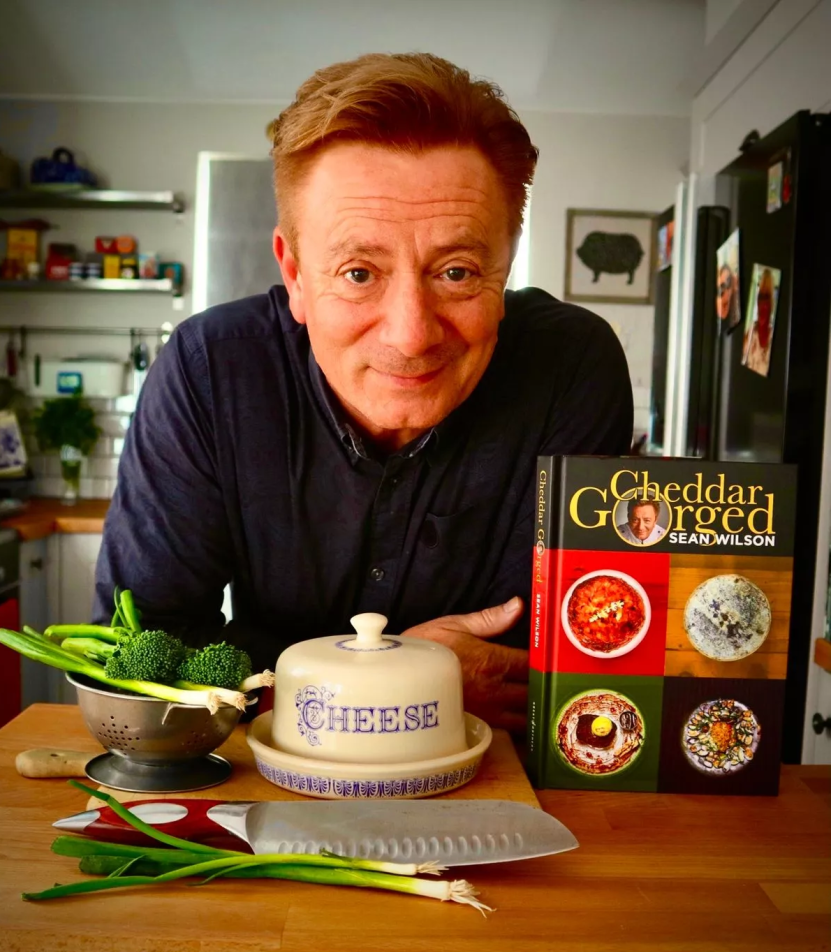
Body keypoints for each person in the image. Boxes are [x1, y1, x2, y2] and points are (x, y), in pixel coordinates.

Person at [94, 52, 633, 732]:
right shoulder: (210, 372)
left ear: (507, 262)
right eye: (357, 273)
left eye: (458, 271)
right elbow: (139, 655)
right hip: (255, 797)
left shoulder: (572, 368)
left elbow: (581, 659)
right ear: (293, 273)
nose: (411, 335)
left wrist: (288, 673)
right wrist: (400, 681)